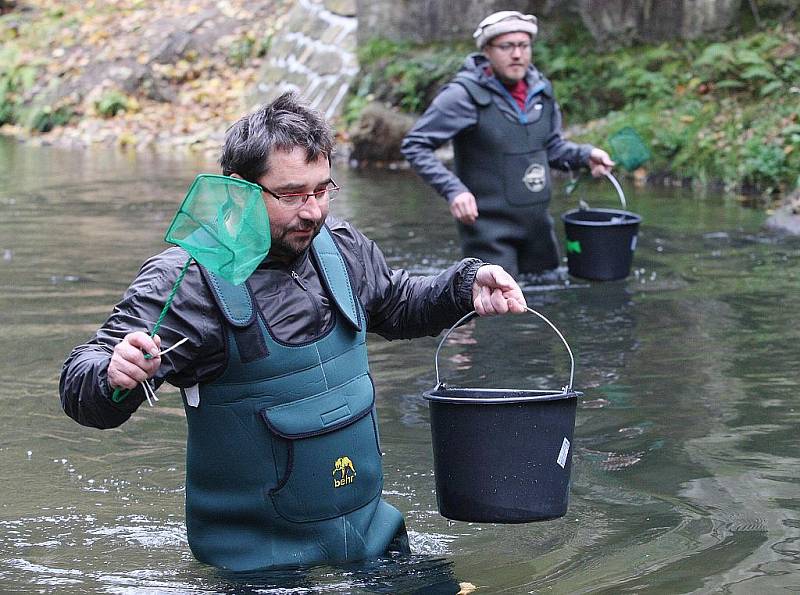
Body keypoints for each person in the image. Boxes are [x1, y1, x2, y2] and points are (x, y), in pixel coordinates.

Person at [59, 92, 527, 572]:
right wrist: (112, 373)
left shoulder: (341, 247)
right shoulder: (186, 282)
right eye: (292, 195)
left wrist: (463, 289)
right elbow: (83, 388)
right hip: (259, 567)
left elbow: (396, 304)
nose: (313, 212)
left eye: (322, 189)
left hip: (376, 544)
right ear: (238, 188)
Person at [401, 10, 615, 278]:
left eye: (523, 46)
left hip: (538, 229)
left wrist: (586, 156)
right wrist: (454, 190)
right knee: (498, 310)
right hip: (488, 232)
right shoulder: (462, 96)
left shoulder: (542, 91)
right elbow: (415, 145)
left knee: (545, 302)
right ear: (487, 51)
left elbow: (551, 148)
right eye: (507, 46)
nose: (517, 54)